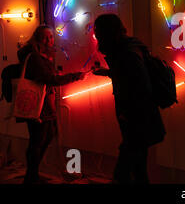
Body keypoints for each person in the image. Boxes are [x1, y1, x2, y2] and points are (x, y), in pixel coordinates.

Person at [92, 14, 165, 184]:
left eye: (98, 31)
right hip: (140, 117)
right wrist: (110, 73)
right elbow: (130, 75)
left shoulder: (125, 52)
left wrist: (127, 112)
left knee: (124, 171)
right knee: (138, 167)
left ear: (106, 33)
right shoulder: (129, 46)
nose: (96, 35)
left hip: (135, 118)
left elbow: (139, 83)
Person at [17, 25, 86, 184]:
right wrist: (74, 76)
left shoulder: (42, 57)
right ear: (38, 40)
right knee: (38, 140)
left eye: (51, 37)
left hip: (45, 105)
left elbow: (48, 77)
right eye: (45, 37)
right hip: (38, 106)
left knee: (45, 137)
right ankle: (31, 176)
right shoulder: (35, 58)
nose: (50, 40)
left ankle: (32, 175)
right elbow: (49, 79)